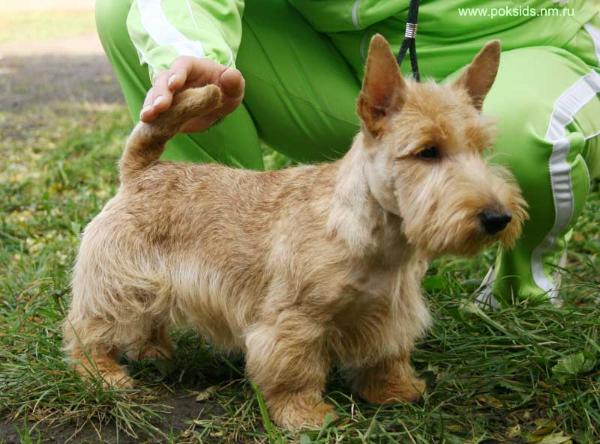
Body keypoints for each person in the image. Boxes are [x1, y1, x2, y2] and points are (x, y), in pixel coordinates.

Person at [95, 0, 600, 306]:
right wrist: (191, 48)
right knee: (130, 11)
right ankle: (236, 267)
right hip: (343, 58)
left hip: (526, 41)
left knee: (527, 135)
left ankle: (520, 291)